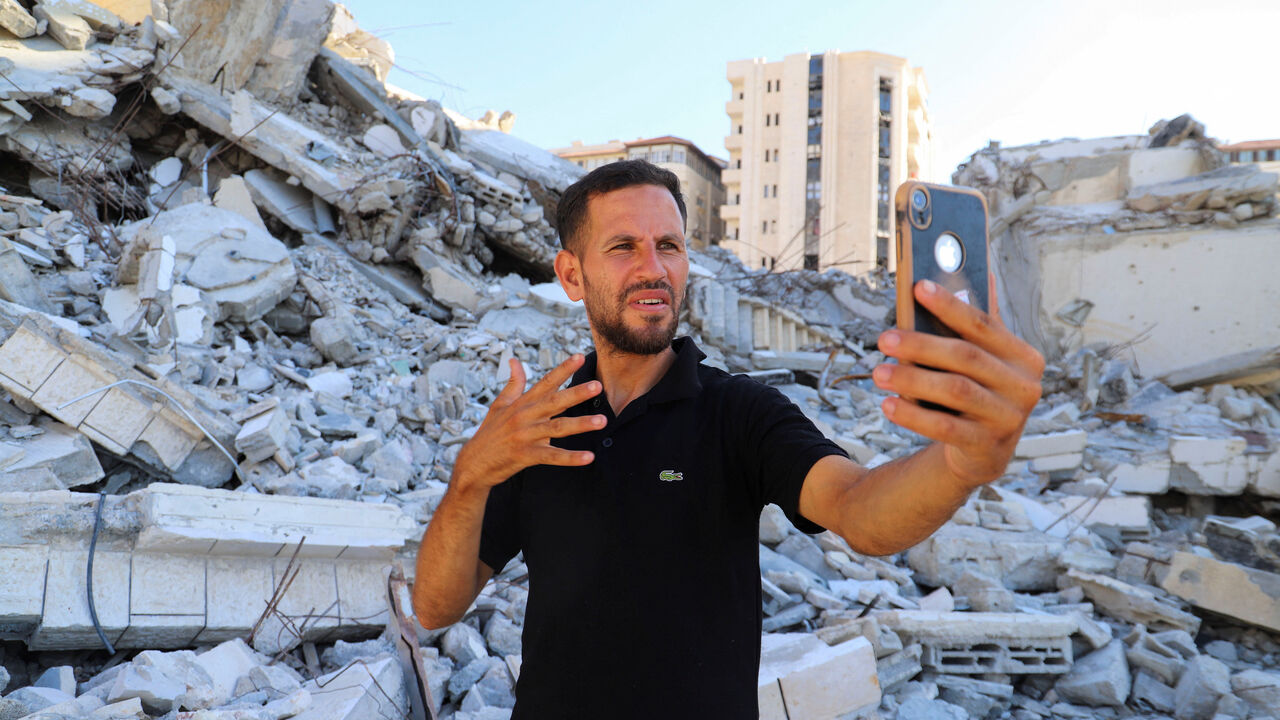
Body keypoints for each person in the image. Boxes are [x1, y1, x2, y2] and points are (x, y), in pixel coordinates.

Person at [412, 160, 1044, 718]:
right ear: (571, 276)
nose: (653, 269)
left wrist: (961, 463)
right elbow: (436, 609)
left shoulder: (740, 414)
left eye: (669, 245)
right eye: (624, 247)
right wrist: (471, 476)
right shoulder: (537, 427)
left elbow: (859, 511)